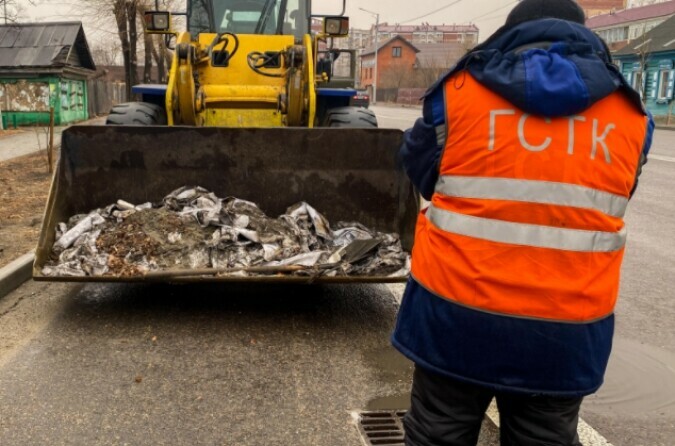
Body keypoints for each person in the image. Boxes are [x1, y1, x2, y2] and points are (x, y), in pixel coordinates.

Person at [392, 0, 654, 445]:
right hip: (565, 329)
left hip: (455, 316)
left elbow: (422, 170)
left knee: (438, 434)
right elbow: (613, 195)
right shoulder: (630, 115)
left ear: (510, 34)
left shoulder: (458, 95)